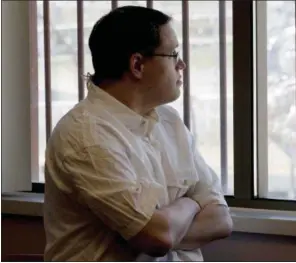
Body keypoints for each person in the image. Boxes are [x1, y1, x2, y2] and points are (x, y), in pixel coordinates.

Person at [43, 6, 232, 261]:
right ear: (138, 65)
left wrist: (164, 230)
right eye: (173, 53)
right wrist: (193, 203)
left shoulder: (169, 120)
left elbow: (221, 220)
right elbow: (155, 237)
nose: (182, 64)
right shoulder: (86, 136)